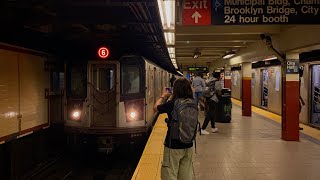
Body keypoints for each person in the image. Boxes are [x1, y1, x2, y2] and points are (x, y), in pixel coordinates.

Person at [153, 78, 194, 180]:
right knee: (185, 175)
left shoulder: (172, 103)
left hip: (173, 145)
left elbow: (155, 108)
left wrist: (163, 95)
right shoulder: (192, 102)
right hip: (189, 145)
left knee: (170, 174)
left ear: (175, 90)